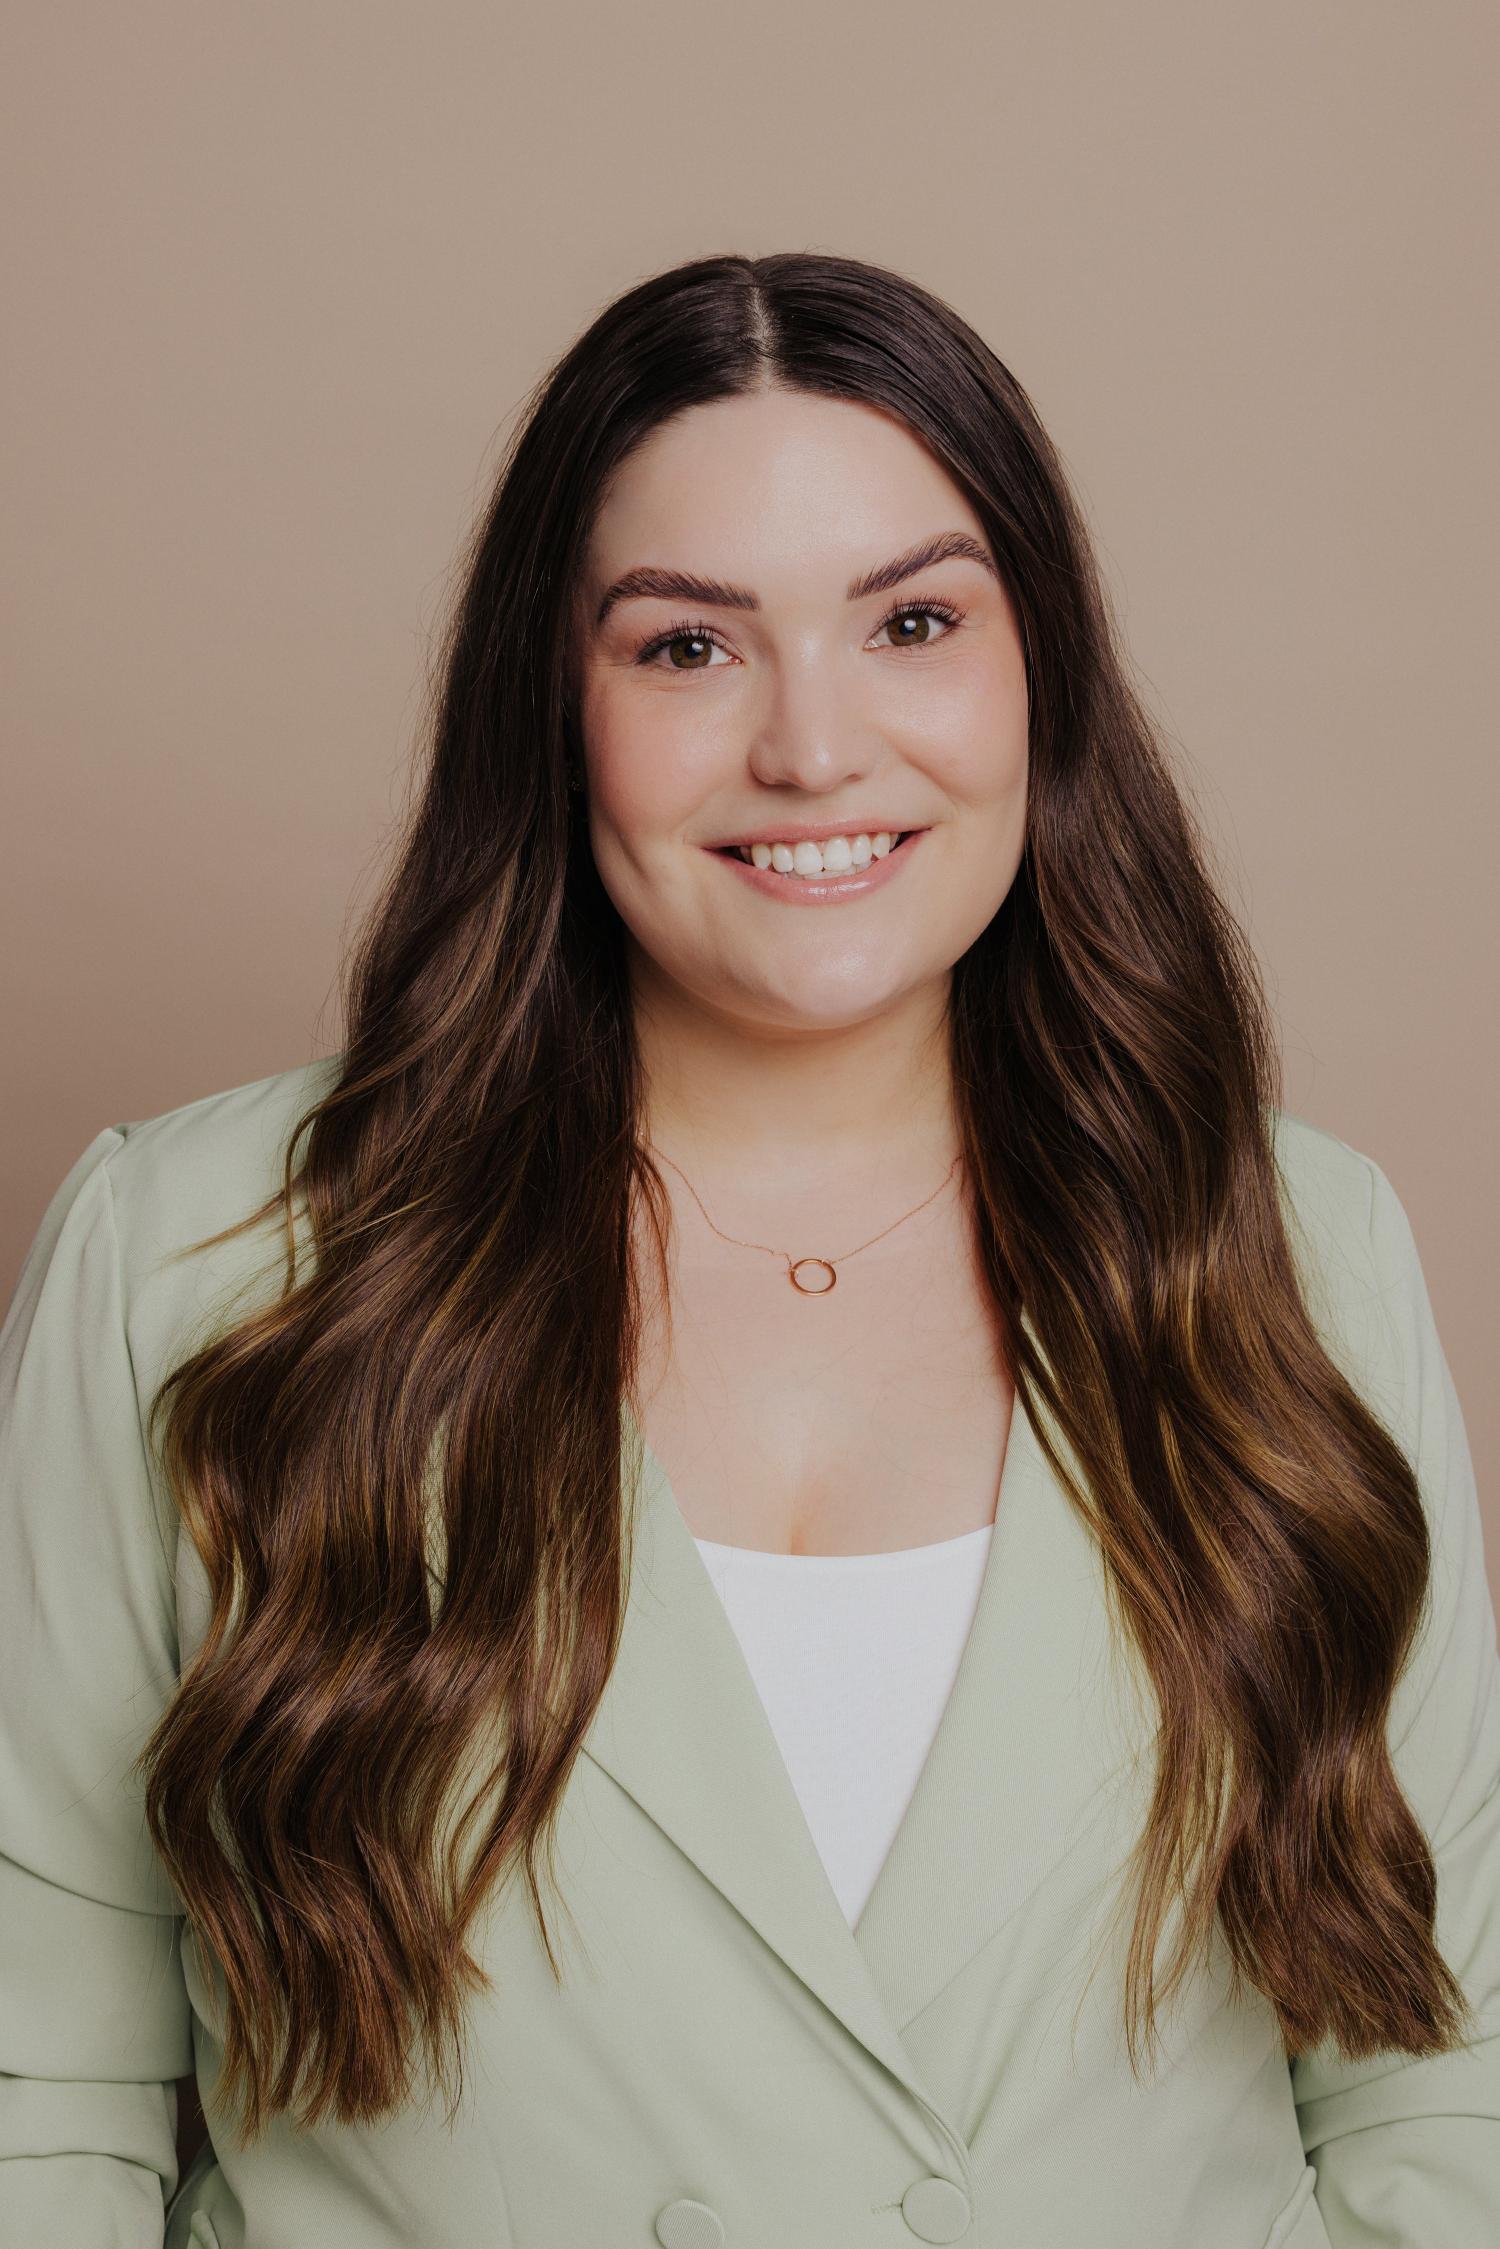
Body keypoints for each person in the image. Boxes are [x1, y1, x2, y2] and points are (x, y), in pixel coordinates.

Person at [1, 250, 1496, 2249]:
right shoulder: (199, 1256)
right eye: (688, 650)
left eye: (912, 621)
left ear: (1037, 663)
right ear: (554, 701)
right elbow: (45, 2096)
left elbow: (1437, 2085)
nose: (813, 746)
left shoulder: (1301, 1247)